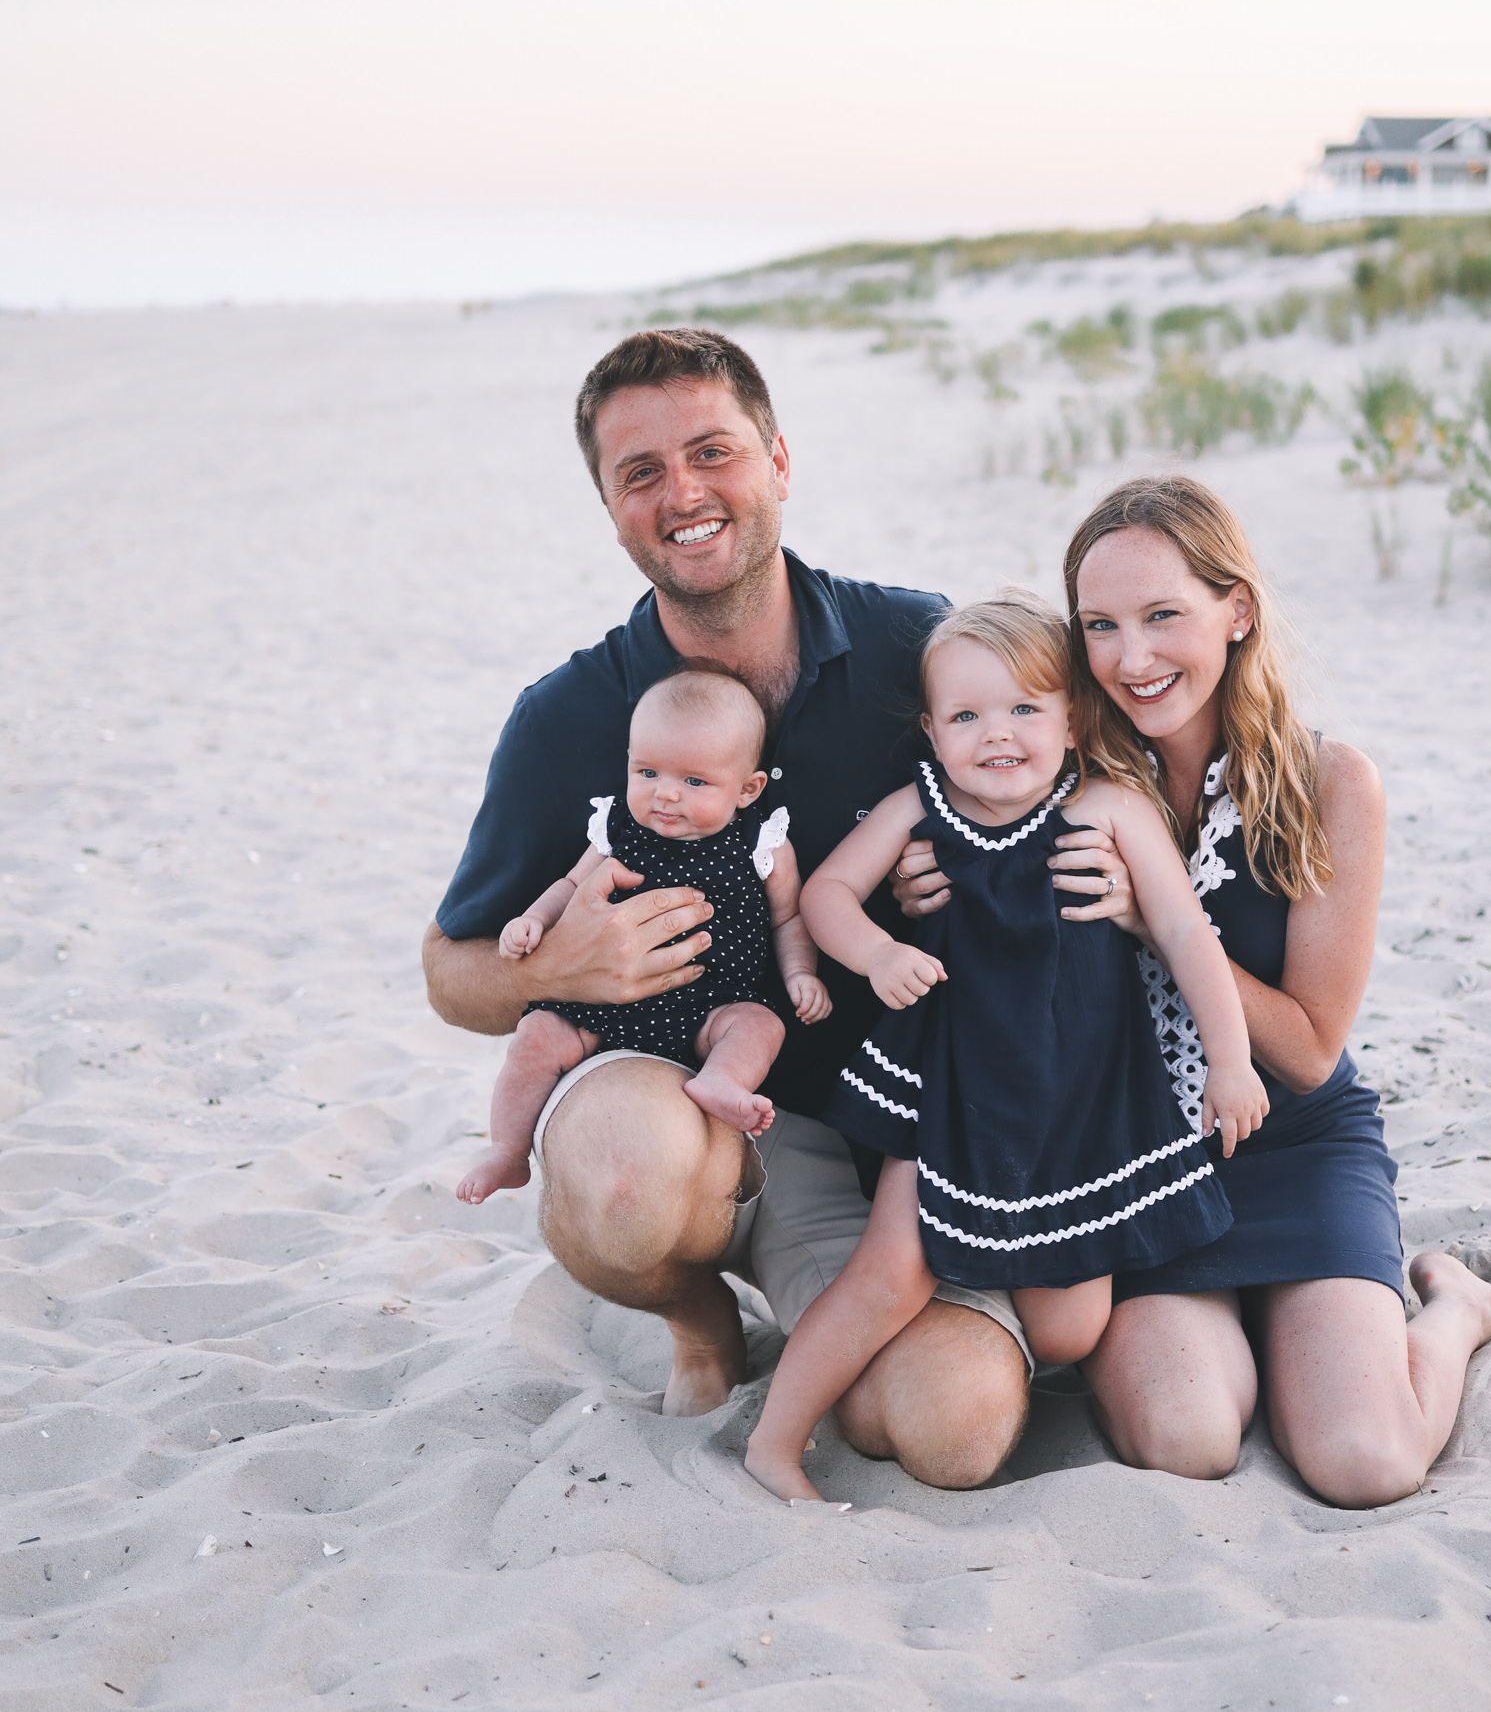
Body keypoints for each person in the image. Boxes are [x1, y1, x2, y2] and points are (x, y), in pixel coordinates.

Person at [422, 326, 1127, 1485]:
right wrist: (565, 965)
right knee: (621, 1175)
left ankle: (829, 1330)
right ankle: (700, 1316)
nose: (683, 493)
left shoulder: (917, 647)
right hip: (699, 1116)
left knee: (956, 1427)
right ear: (609, 510)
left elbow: (1067, 781)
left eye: (714, 452)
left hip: (907, 1135)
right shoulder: (568, 716)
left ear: (780, 461)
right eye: (639, 473)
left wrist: (981, 875)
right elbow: (449, 970)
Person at [1049, 474, 1491, 1510]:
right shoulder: (1063, 784)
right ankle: (1267, 1336)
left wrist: (1157, 919)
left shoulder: (1329, 785)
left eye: (1164, 615)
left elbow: (1311, 1047)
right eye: (1101, 626)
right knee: (1185, 1439)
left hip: (1299, 1145)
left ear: (1238, 611)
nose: (1133, 659)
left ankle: (1454, 1308)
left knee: (1367, 1461)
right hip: (1148, 1166)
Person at [744, 591, 1267, 1504]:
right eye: (967, 715)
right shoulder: (919, 809)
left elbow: (1187, 937)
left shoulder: (1110, 810)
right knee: (888, 1273)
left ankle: (983, 1274)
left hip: (1079, 1097)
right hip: (944, 1086)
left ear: (1072, 715)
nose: (999, 733)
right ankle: (775, 1444)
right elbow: (826, 895)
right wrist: (877, 953)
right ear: (932, 731)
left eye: (1026, 707)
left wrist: (1230, 1062)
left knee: (1069, 1329)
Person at [454, 666, 831, 1206]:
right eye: (648, 772)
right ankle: (508, 1150)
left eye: (695, 782)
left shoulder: (760, 842)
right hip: (604, 1006)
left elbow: (789, 918)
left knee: (760, 1025)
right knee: (537, 1033)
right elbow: (569, 884)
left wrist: (800, 974)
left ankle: (720, 1081)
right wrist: (533, 920)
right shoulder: (616, 829)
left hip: (712, 1006)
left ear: (747, 789)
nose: (666, 795)